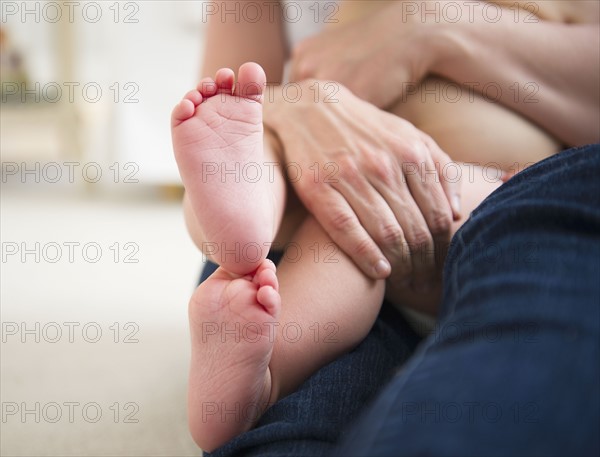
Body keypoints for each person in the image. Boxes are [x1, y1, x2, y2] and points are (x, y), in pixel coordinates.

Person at [176, 0, 599, 454]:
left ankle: (268, 363)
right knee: (274, 156)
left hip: (477, 192)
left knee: (349, 236)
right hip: (326, 178)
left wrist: (433, 27)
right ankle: (246, 231)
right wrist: (286, 108)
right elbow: (243, 81)